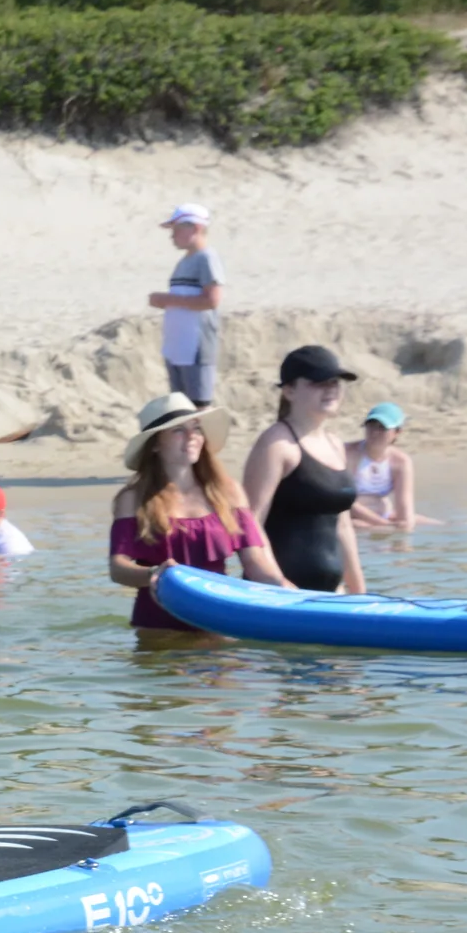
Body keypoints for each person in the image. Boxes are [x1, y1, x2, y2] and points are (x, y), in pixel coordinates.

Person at [109, 393, 290, 632]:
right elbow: (118, 568)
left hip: (219, 623)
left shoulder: (228, 492)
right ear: (154, 444)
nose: (192, 437)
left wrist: (292, 595)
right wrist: (154, 574)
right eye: (178, 430)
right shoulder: (133, 499)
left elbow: (255, 562)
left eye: (196, 428)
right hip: (159, 631)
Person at [242, 345, 365, 595]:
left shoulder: (335, 445)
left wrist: (360, 593)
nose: (331, 388)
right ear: (289, 390)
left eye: (335, 382)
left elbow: (343, 528)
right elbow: (249, 525)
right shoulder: (276, 444)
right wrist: (277, 584)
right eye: (319, 382)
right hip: (278, 597)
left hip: (330, 596)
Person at [150, 204, 225, 408]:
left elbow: (212, 300)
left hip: (195, 349)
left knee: (198, 411)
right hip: (178, 348)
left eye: (177, 229)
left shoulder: (206, 258)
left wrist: (168, 300)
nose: (172, 236)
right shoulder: (185, 261)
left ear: (195, 228)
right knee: (180, 411)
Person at [347, 403, 437, 531]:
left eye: (382, 428)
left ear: (397, 432)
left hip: (383, 515)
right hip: (348, 516)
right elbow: (344, 503)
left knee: (432, 525)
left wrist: (404, 528)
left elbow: (405, 508)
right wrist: (384, 524)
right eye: (371, 426)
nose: (375, 432)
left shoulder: (400, 462)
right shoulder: (349, 454)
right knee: (361, 527)